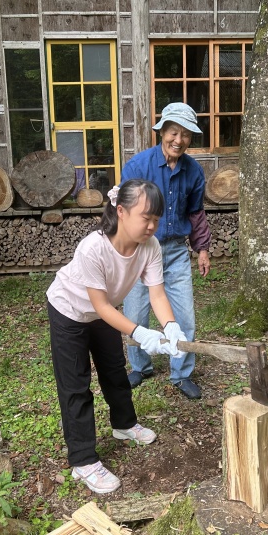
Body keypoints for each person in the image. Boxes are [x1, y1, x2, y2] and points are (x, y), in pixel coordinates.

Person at [47, 179, 187, 494]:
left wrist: (170, 326)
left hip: (105, 313)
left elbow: (157, 294)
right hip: (69, 310)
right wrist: (140, 332)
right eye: (145, 217)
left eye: (156, 219)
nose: (152, 226)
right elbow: (98, 304)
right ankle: (83, 461)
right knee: (75, 384)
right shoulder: (93, 248)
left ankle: (124, 425)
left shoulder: (150, 247)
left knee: (114, 370)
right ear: (121, 211)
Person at [122, 103, 211, 400]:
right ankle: (140, 366)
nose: (178, 140)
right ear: (162, 132)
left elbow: (196, 213)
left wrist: (202, 249)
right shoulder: (138, 166)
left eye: (185, 135)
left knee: (184, 317)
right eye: (174, 132)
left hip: (174, 252)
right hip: (139, 250)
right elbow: (123, 211)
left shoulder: (194, 171)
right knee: (136, 313)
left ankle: (181, 373)